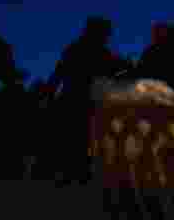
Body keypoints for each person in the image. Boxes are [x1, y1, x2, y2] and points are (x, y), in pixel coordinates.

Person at [47, 16, 130, 183]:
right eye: (106, 33)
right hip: (83, 103)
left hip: (72, 101)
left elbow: (58, 74)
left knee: (74, 142)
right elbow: (116, 68)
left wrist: (49, 93)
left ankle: (72, 176)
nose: (108, 36)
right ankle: (77, 176)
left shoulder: (75, 49)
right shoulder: (99, 52)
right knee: (80, 142)